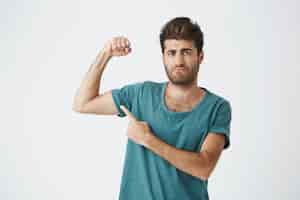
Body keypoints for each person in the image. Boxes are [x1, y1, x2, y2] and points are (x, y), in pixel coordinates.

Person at [73, 17, 232, 200]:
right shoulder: (141, 94)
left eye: (186, 52)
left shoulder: (217, 108)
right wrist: (105, 53)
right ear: (163, 57)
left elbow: (204, 167)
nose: (179, 61)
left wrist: (148, 140)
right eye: (171, 53)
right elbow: (82, 103)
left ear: (200, 56)